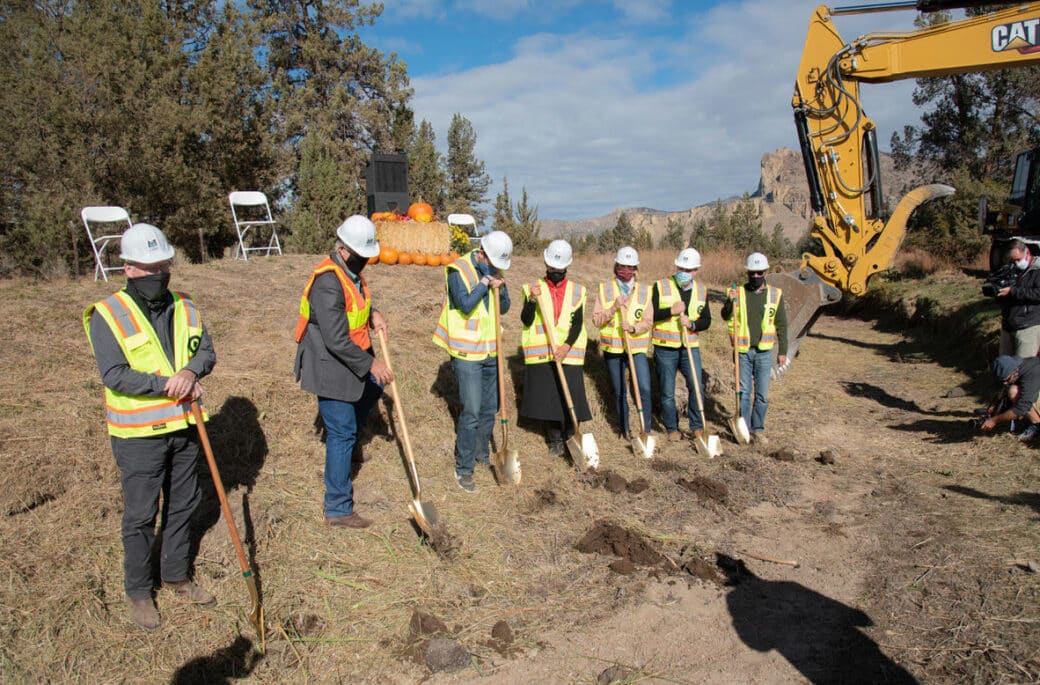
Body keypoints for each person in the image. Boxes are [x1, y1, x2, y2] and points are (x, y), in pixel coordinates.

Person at [84, 223, 217, 631]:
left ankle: (175, 574)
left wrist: (193, 370)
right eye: (148, 268)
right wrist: (168, 383)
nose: (158, 274)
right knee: (142, 515)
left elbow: (207, 352)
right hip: (138, 436)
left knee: (184, 504)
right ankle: (139, 591)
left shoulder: (187, 305)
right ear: (128, 269)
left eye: (163, 265)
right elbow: (115, 374)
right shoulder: (108, 315)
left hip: (184, 427)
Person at [294, 215, 392, 530]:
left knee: (374, 388)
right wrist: (371, 364)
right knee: (341, 431)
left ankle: (346, 450)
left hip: (352, 355)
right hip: (329, 364)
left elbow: (357, 307)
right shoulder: (327, 282)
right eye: (362, 256)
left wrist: (373, 314)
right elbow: (336, 339)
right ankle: (337, 508)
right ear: (342, 248)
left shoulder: (351, 274)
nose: (366, 262)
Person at [433, 230, 512, 493]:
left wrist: (500, 291)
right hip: (467, 354)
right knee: (472, 411)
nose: (496, 269)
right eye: (492, 264)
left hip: (491, 350)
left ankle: (481, 454)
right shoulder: (458, 270)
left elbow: (504, 308)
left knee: (490, 407)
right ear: (481, 254)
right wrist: (484, 284)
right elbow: (465, 304)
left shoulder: (495, 270)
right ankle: (464, 468)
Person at [518, 240, 591, 457]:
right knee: (550, 399)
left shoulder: (579, 291)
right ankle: (555, 440)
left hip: (570, 352)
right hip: (543, 351)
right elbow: (526, 320)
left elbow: (578, 323)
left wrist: (567, 346)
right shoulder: (533, 288)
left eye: (559, 269)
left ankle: (571, 435)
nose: (555, 272)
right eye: (551, 268)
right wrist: (531, 301)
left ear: (567, 266)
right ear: (546, 264)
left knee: (571, 396)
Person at [720, 252, 787, 446]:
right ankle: (744, 429)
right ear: (747, 273)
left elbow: (781, 324)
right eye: (752, 273)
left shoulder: (775, 294)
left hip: (764, 352)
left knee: (762, 395)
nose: (755, 277)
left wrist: (782, 351)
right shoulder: (737, 292)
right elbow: (726, 316)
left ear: (766, 272)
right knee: (743, 392)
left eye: (759, 273)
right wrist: (728, 301)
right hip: (743, 351)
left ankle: (758, 429)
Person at [592, 246, 653, 440]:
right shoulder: (605, 289)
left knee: (644, 388)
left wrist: (634, 328)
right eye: (622, 266)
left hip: (636, 348)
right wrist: (613, 308)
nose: (625, 270)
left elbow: (648, 321)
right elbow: (596, 320)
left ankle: (646, 429)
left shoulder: (645, 291)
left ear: (636, 268)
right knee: (619, 391)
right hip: (614, 349)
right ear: (616, 266)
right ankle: (624, 430)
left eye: (630, 267)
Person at [652, 248, 712, 442]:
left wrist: (692, 324)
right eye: (681, 268)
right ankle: (672, 428)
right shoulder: (660, 286)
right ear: (676, 266)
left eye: (689, 269)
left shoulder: (702, 291)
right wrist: (671, 310)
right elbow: (651, 315)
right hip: (665, 347)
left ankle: (696, 426)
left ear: (696, 270)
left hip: (689, 347)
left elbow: (707, 320)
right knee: (667, 391)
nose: (684, 272)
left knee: (697, 386)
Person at [979, 355, 1040, 441]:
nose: (1005, 383)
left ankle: (1037, 425)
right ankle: (1028, 421)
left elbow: (1022, 408)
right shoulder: (1017, 366)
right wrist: (996, 410)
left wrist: (994, 420)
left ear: (1015, 371)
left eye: (1007, 380)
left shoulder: (1032, 373)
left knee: (1014, 391)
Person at [996, 239, 1040, 357]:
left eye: (1018, 259)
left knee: (1023, 367)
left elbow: (1038, 294)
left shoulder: (1037, 270)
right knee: (1006, 367)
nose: (1016, 263)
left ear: (1027, 253)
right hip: (1009, 325)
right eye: (1012, 260)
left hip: (1028, 326)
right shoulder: (1012, 269)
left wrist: (1013, 291)